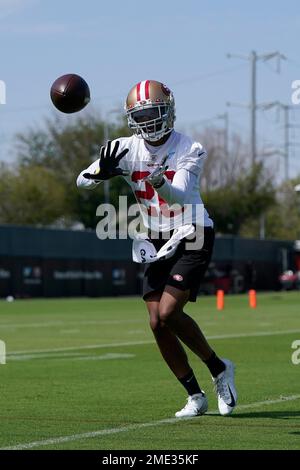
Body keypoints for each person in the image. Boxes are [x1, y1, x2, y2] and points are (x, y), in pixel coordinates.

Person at [77, 80, 237, 417]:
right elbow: (81, 179)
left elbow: (179, 195)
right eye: (142, 115)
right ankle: (195, 395)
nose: (149, 122)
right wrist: (98, 176)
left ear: (169, 111)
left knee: (168, 312)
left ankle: (219, 368)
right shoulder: (124, 148)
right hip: (154, 235)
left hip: (192, 230)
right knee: (156, 323)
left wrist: (160, 181)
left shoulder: (189, 148)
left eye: (155, 113)